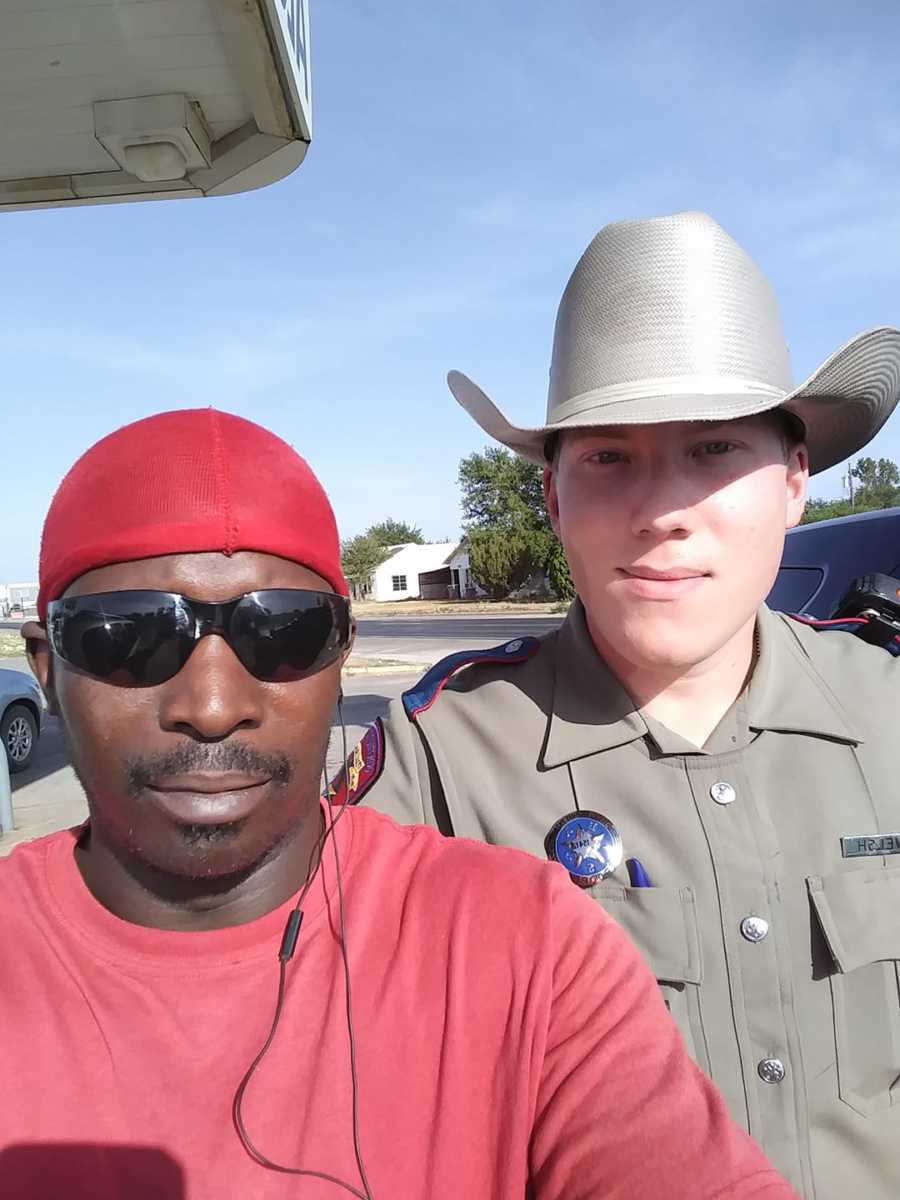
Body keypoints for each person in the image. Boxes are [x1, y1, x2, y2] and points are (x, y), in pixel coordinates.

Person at [0, 408, 794, 1200]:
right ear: (46, 669)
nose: (212, 705)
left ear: (339, 660)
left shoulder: (530, 948)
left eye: (284, 634)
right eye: (130, 635)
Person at [346, 212, 900, 1199]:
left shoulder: (890, 710)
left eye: (715, 448)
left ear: (795, 481)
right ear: (552, 498)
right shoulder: (443, 763)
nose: (661, 509)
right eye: (609, 457)